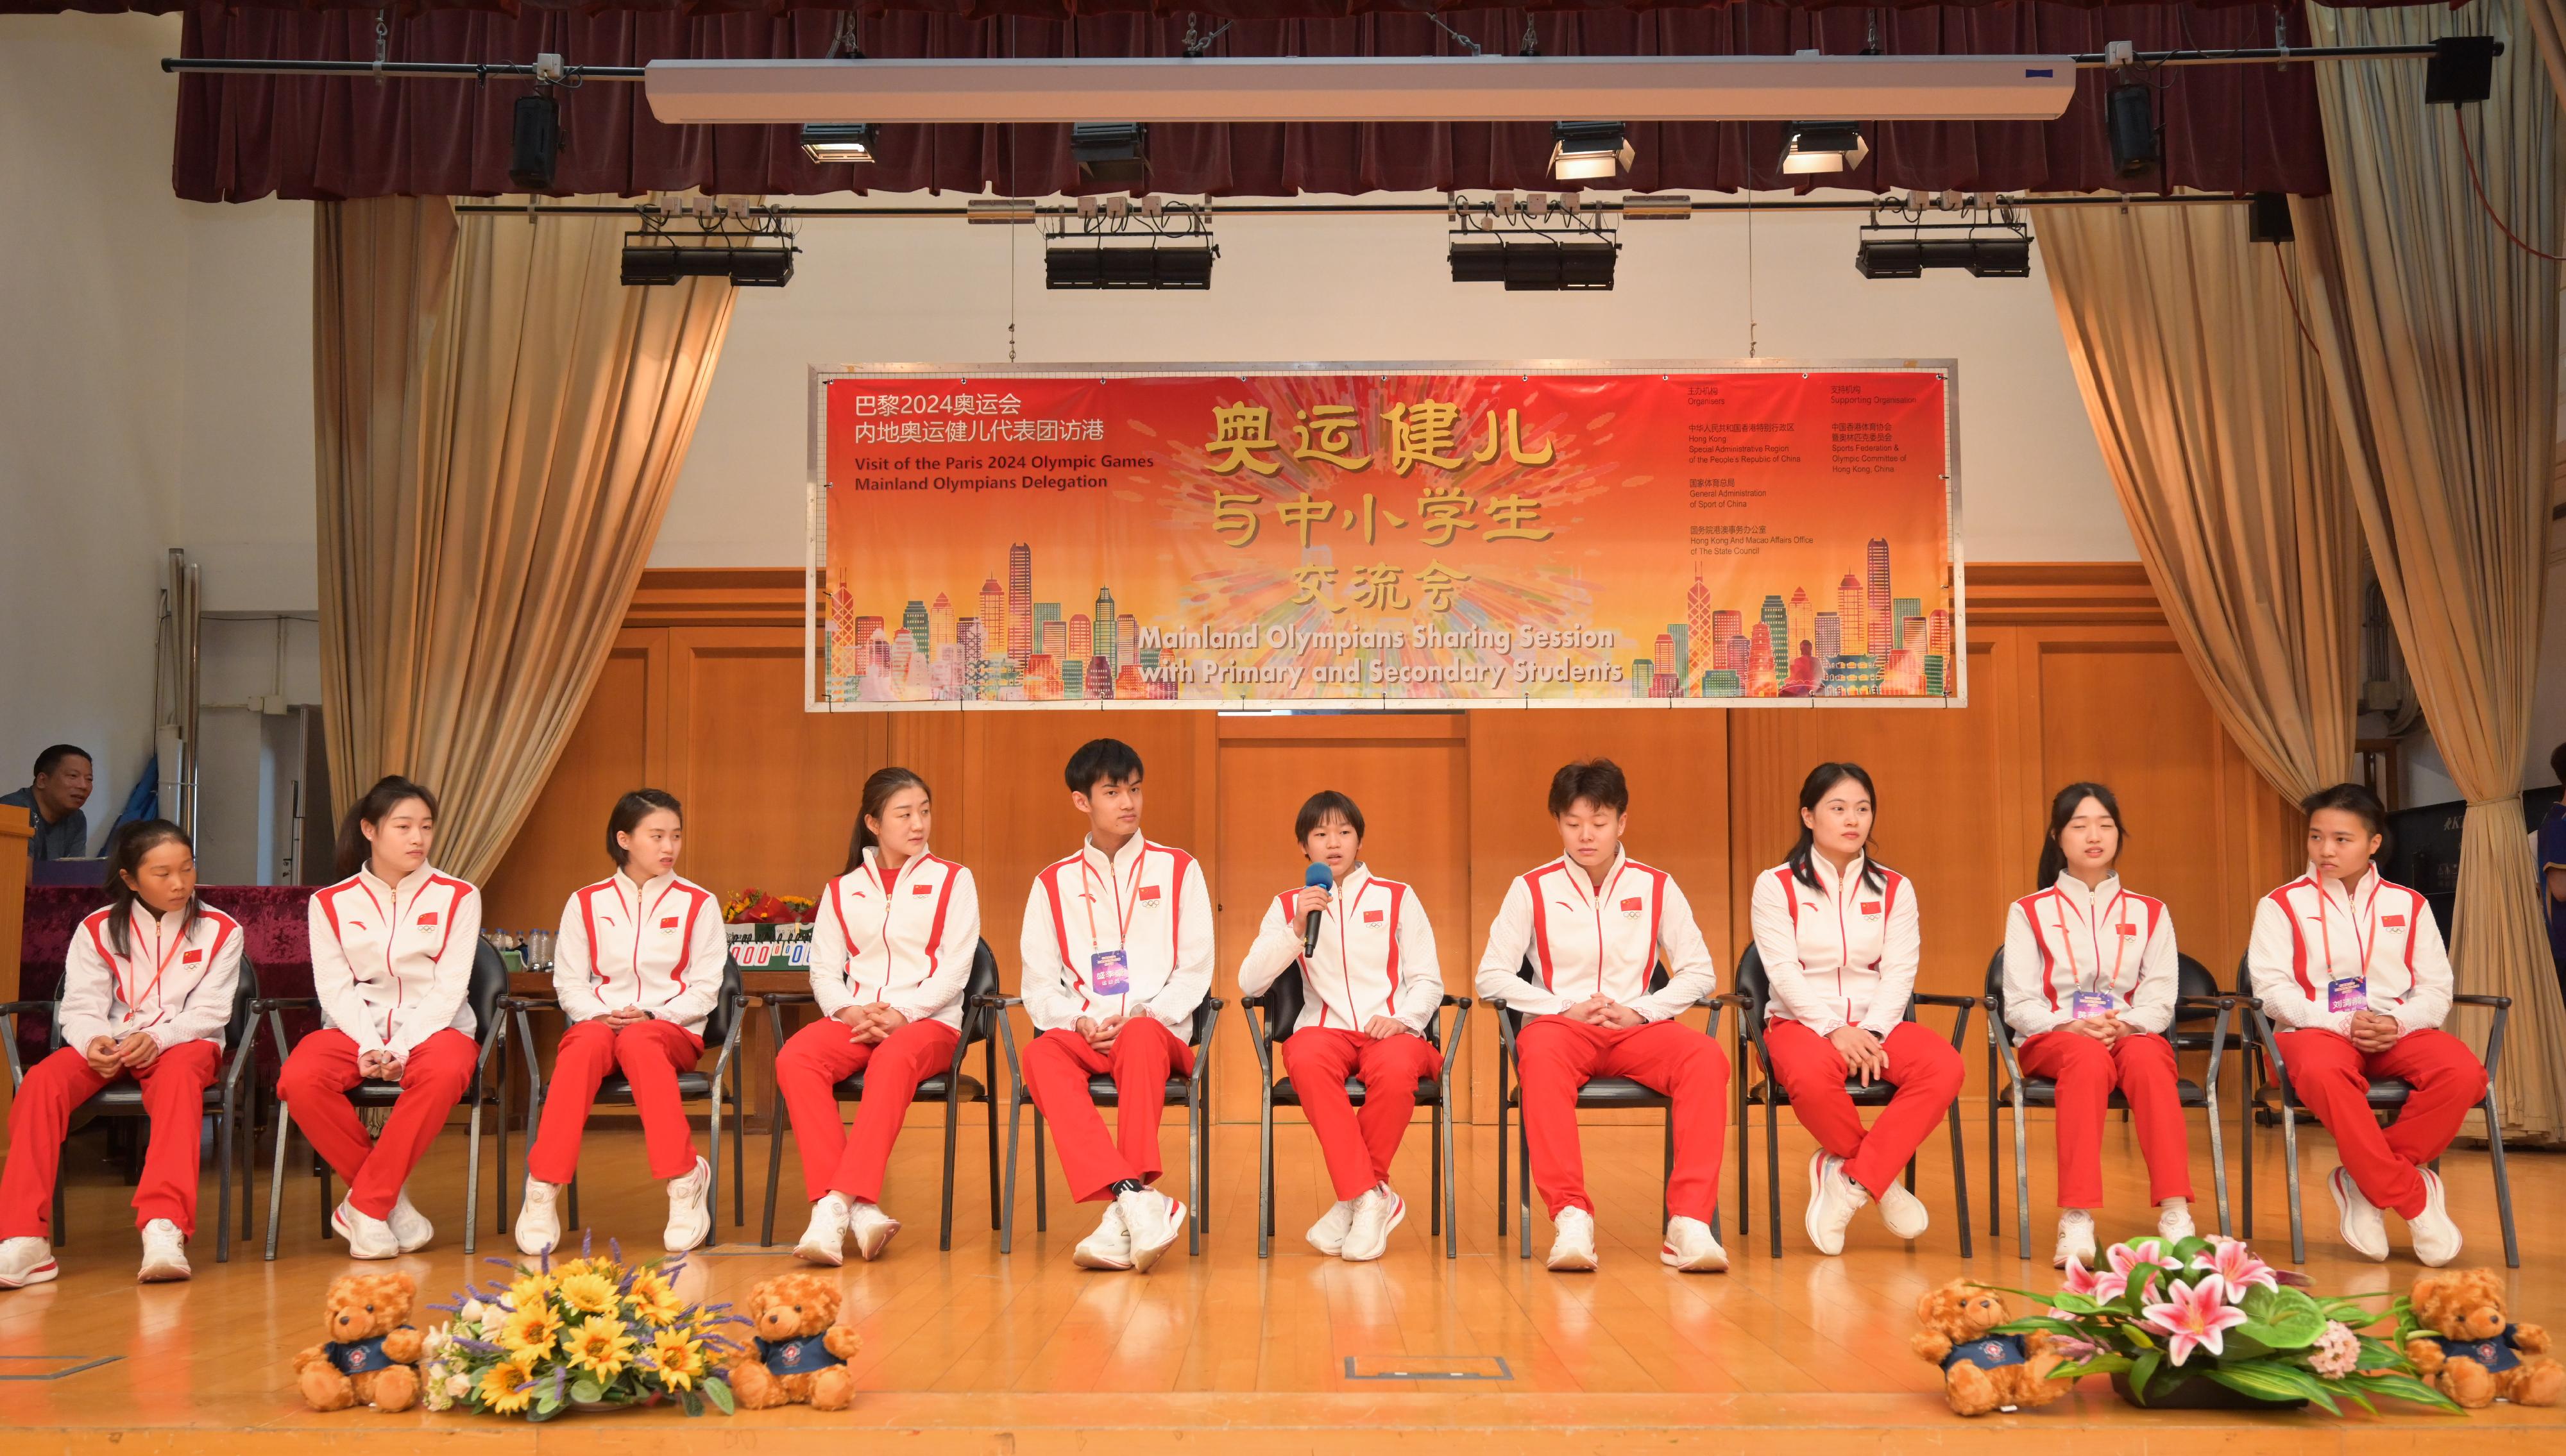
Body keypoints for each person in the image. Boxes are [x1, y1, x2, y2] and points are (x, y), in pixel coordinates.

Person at [1475, 759, 1729, 1274]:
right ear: (1558, 824)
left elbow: (1700, 973)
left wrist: (1642, 1010)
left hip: (1637, 1028)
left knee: (1705, 1056)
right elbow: (1491, 977)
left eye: (1599, 822)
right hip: (1563, 1030)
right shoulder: (1532, 888)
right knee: (1538, 1055)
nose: (1586, 835)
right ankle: (1571, 1216)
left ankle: (1689, 1223)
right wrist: (1562, 1006)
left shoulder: (1656, 886)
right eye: (1573, 823)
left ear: (1622, 822)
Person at [0, 821, 241, 1287]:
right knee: (41, 1083)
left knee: (176, 1082)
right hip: (110, 1041)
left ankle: (163, 1227)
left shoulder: (222, 930)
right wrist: (93, 1042)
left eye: (187, 869)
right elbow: (78, 1007)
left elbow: (211, 1012)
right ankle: (23, 1239)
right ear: (130, 879)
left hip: (185, 1044)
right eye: (162, 873)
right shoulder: (95, 929)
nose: (179, 884)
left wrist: (160, 1038)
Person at [2248, 781, 2477, 1266]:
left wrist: (2395, 1021)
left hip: (2395, 1029)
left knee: (2463, 1073)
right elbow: (2271, 992)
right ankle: (2411, 1197)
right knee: (2324, 1072)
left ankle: (2363, 1181)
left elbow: (2436, 991)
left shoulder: (2409, 904)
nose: (2325, 850)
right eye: (2315, 837)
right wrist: (2340, 1022)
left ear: (2374, 842)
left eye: (2341, 839)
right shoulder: (2280, 904)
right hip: (2314, 1031)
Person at [1750, 761, 1961, 1255]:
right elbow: (1781, 972)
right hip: (1801, 1021)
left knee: (1944, 1066)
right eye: (1838, 808)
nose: (1853, 820)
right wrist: (1831, 1029)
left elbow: (1900, 971)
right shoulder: (1776, 885)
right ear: (1808, 816)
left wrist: (1873, 1030)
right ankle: (1877, 1179)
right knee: (1807, 1075)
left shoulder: (1894, 888)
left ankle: (1847, 1178)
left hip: (1878, 1021)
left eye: (1862, 809)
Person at [1018, 738, 1212, 1273]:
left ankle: (1126, 1202)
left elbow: (1196, 969)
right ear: (1083, 802)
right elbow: (1037, 984)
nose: (1128, 802)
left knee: (1142, 1035)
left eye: (1135, 789)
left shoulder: (1178, 869)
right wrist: (1074, 1020)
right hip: (1085, 1035)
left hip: (1157, 1031)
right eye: (1112, 792)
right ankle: (1136, 1199)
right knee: (1038, 1056)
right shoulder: (1052, 883)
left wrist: (1149, 1011)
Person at [776, 768, 980, 1266]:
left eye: (924, 811)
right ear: (873, 822)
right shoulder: (842, 890)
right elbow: (822, 971)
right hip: (860, 1018)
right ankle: (862, 1208)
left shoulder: (954, 880)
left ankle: (834, 1206)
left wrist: (904, 1013)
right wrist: (849, 1010)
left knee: (893, 1057)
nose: (918, 824)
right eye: (904, 813)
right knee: (796, 1057)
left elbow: (957, 968)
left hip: (929, 1024)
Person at [278, 775, 482, 1260]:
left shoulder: (459, 896)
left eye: (427, 827)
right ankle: (388, 1201)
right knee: (299, 1078)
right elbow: (333, 987)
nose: (418, 838)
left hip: (437, 1026)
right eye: (404, 826)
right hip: (355, 1025)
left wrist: (402, 1047)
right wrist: (371, 1043)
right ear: (370, 830)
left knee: (446, 1071)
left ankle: (365, 1206)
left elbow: (449, 987)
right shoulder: (330, 902)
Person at [514, 790, 725, 1257]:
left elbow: (706, 989)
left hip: (671, 1029)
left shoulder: (699, 903)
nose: (669, 846)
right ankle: (542, 1188)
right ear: (624, 839)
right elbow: (569, 983)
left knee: (641, 1042)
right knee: (584, 1042)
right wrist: (598, 1014)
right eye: (657, 836)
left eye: (675, 836)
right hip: (601, 1024)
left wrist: (655, 1014)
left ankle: (683, 1179)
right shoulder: (585, 902)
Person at [1237, 790, 1443, 1262]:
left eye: (1345, 832)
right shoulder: (1289, 903)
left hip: (1391, 1029)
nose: (1334, 843)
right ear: (1303, 847)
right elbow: (1249, 980)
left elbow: (1429, 980)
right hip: (1324, 1030)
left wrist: (1404, 1019)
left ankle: (1359, 1196)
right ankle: (1372, 1196)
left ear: (1359, 840)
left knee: (1395, 1070)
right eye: (1321, 834)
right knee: (1304, 1057)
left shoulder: (1397, 897)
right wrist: (1295, 927)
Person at [2000, 783, 2194, 1268]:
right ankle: (2077, 1217)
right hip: (2054, 1040)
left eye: (2105, 825)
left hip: (2127, 1034)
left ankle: (2175, 1213)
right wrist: (2069, 1027)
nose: (2094, 836)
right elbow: (2018, 1002)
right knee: (2085, 1057)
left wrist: (2125, 1026)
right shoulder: (2029, 911)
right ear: (2057, 836)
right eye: (2080, 825)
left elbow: (2160, 995)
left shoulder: (2151, 911)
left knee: (2151, 1057)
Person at [3, 744, 93, 861]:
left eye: (89, 779)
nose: (84, 786)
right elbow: (20, 875)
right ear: (42, 781)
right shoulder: (12, 809)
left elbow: (75, 872)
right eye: (73, 776)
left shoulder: (77, 819)